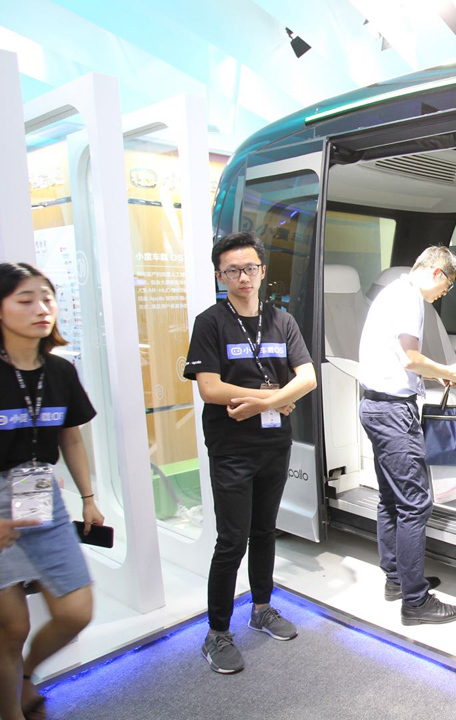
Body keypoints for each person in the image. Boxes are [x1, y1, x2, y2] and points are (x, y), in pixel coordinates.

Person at [184, 232, 317, 674]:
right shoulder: (210, 322)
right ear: (220, 276)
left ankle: (261, 608)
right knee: (231, 540)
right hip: (232, 449)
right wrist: (274, 398)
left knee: (264, 531)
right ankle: (217, 633)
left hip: (274, 444)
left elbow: (308, 378)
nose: (243, 277)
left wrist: (265, 403)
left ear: (262, 271)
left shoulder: (282, 320)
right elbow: (210, 388)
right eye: (233, 270)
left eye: (250, 268)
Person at [0, 262, 104, 720]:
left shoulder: (60, 370)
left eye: (47, 297)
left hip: (43, 495)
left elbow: (71, 437)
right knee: (11, 627)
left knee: (75, 611)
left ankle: (24, 675)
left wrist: (88, 498)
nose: (41, 308)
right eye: (25, 300)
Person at [358, 246, 456, 625]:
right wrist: (449, 371)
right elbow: (410, 358)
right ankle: (416, 602)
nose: (445, 293)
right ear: (438, 272)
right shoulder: (409, 299)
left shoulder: (392, 292)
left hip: (375, 406)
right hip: (393, 412)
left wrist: (434, 374)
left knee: (392, 498)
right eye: (448, 285)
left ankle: (397, 578)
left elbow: (399, 360)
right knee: (415, 503)